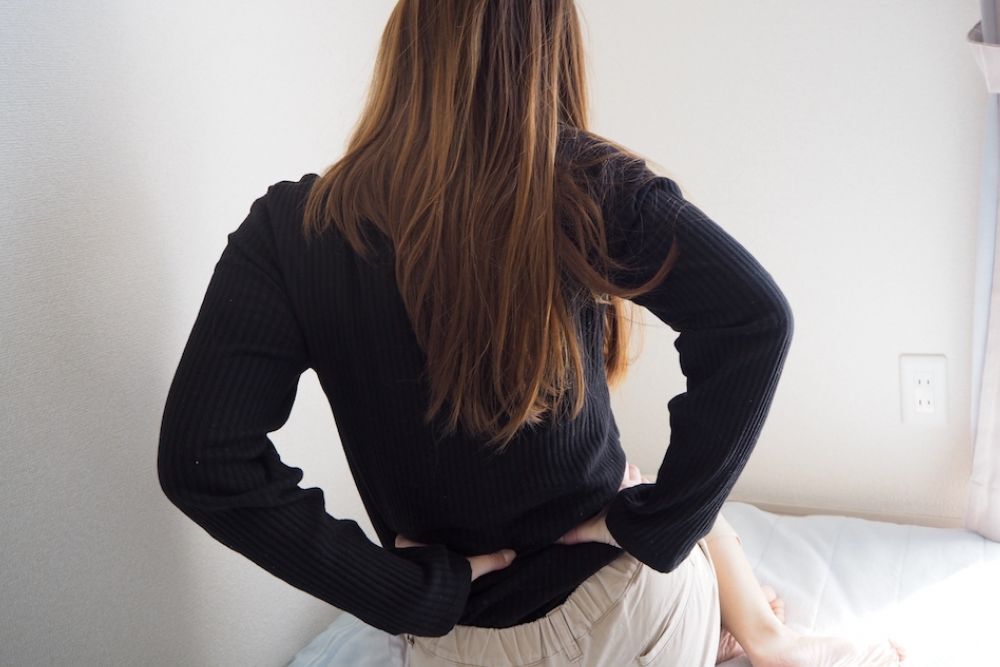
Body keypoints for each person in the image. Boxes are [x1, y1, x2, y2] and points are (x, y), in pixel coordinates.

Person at [158, 1, 907, 665]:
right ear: (549, 52)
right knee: (659, 493)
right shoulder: (582, 183)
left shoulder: (290, 231)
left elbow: (203, 460)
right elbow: (756, 321)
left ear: (407, 41)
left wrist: (403, 592)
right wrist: (655, 527)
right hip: (633, 626)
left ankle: (744, 630)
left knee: (661, 497)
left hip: (460, 646)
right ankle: (761, 638)